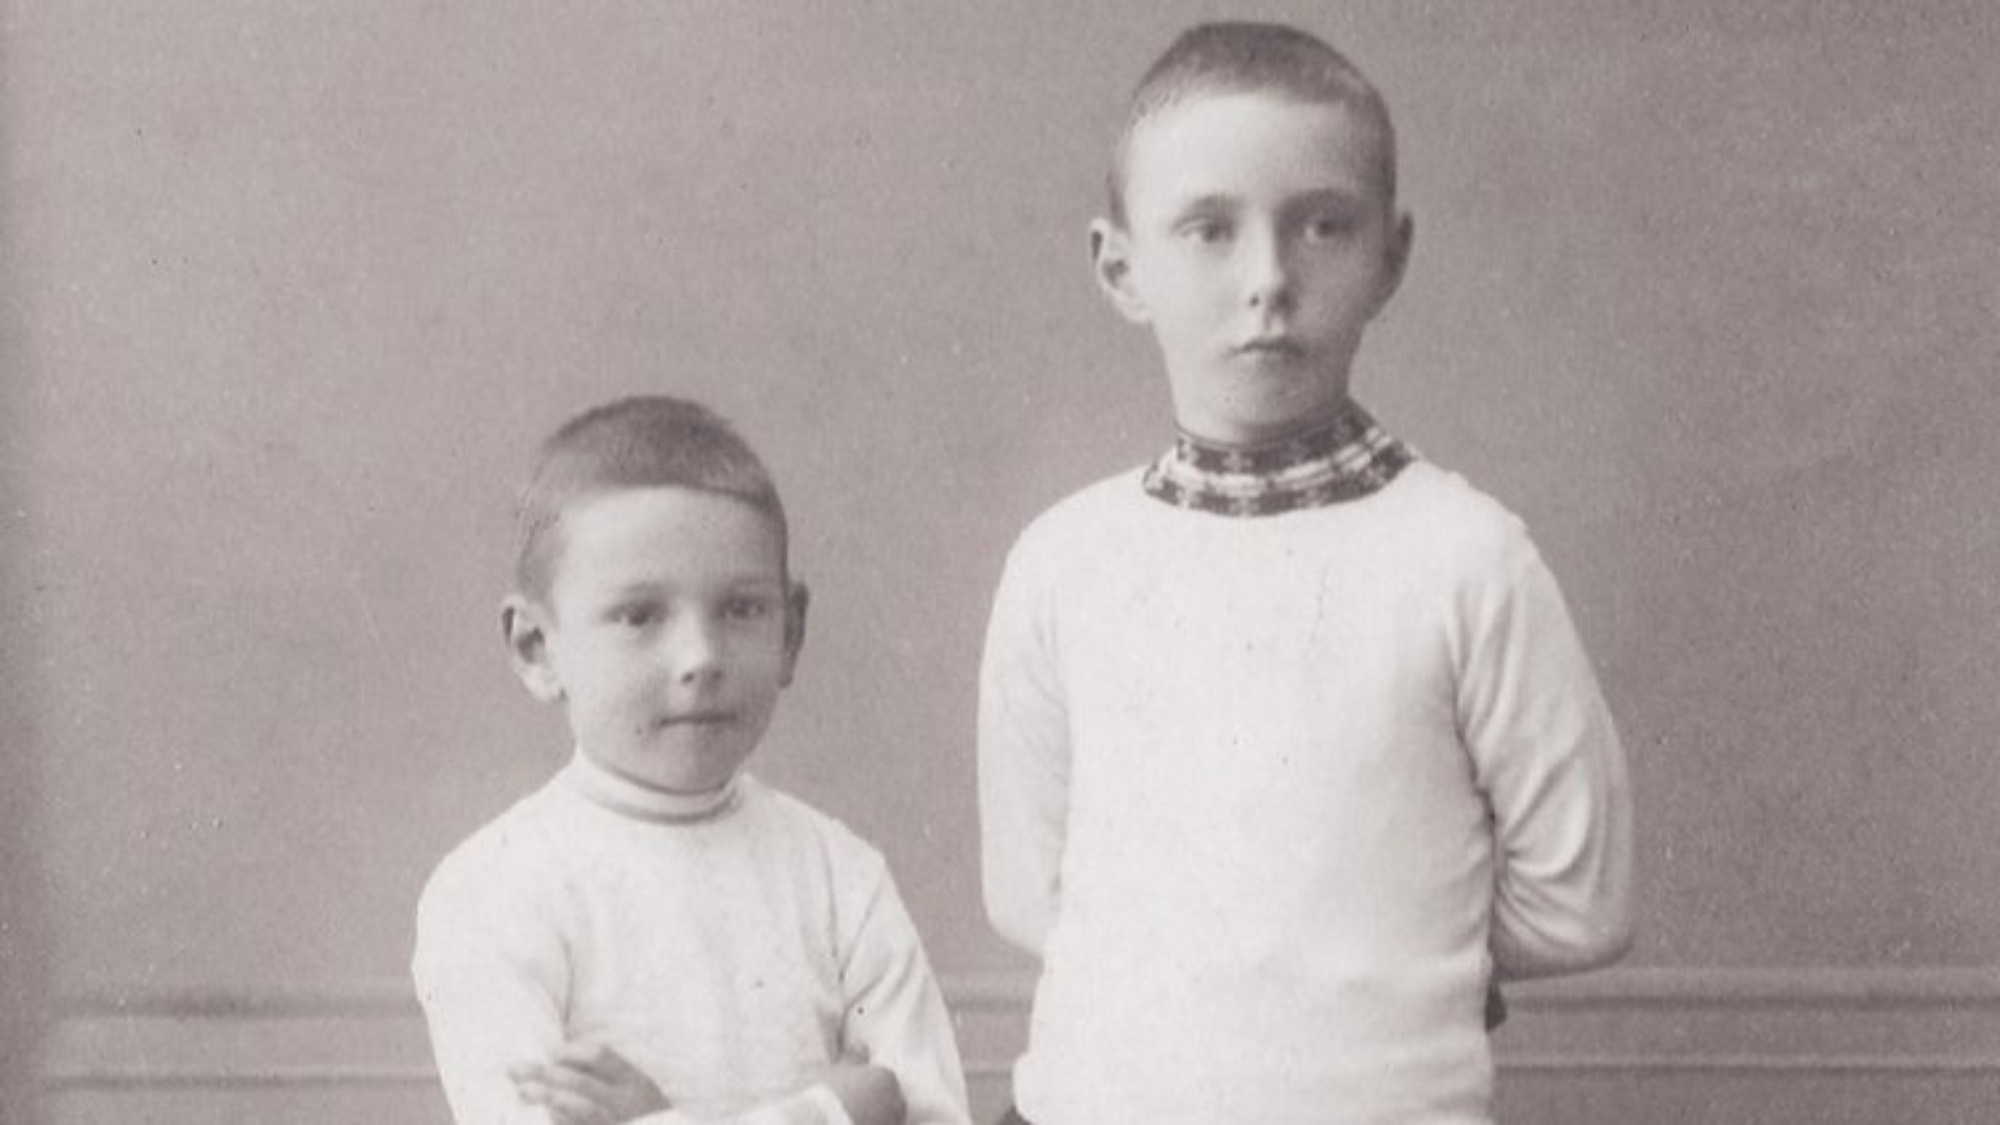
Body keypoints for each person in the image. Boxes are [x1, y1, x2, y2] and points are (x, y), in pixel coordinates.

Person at [977, 22, 1634, 1124]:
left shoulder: (1465, 557)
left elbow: (1581, 903)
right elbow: (1032, 890)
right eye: (1209, 230)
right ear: (1121, 268)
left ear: (1391, 257)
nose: (1269, 281)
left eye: (1323, 226)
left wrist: (1382, 962)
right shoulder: (1064, 561)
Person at [415, 396, 970, 1125]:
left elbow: (930, 1114)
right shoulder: (494, 888)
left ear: (791, 633)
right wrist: (828, 1110)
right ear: (537, 647)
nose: (702, 656)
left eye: (741, 609)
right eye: (639, 615)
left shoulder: (841, 874)